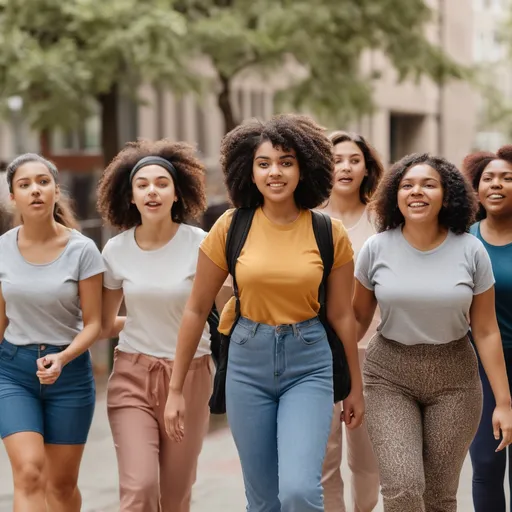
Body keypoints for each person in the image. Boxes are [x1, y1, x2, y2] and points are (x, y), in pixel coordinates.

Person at [164, 114, 364, 512]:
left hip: (309, 363)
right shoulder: (230, 226)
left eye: (286, 162)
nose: (276, 172)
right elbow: (195, 309)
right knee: (263, 499)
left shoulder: (329, 232)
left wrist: (354, 388)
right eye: (264, 163)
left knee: (299, 491)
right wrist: (175, 389)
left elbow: (343, 317)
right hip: (246, 363)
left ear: (304, 167)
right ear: (249, 171)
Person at [353, 152, 512, 512]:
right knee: (404, 487)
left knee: (440, 497)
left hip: (454, 377)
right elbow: (357, 319)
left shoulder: (471, 250)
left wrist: (503, 403)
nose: (416, 192)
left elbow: (486, 330)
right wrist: (343, 379)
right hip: (388, 374)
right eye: (407, 185)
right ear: (395, 194)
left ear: (448, 194)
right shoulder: (376, 247)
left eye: (428, 184)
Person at [97, 139, 223, 512]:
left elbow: (227, 315)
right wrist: (142, 322)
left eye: (162, 183)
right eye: (143, 185)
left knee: (175, 495)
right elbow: (106, 324)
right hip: (132, 374)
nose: (152, 191)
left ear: (177, 193)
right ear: (131, 196)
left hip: (191, 377)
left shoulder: (202, 245)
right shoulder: (115, 251)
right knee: (139, 489)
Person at [0, 153, 104, 512]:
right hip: (13, 373)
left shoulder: (82, 250)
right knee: (29, 472)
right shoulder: (1, 251)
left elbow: (94, 323)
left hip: (70, 374)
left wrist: (62, 357)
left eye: (43, 182)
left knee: (60, 487)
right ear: (13, 196)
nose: (35, 191)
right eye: (24, 184)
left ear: (56, 191)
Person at [320, 131, 382, 512]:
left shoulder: (384, 219)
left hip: (373, 352)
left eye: (353, 159)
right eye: (336, 159)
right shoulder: (307, 218)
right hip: (319, 351)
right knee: (324, 457)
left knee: (367, 458)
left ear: (366, 168)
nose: (344, 166)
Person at [462, 146, 512, 512]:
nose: (497, 184)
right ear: (475, 188)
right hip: (478, 367)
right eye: (488, 178)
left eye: (508, 178)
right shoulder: (462, 241)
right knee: (487, 463)